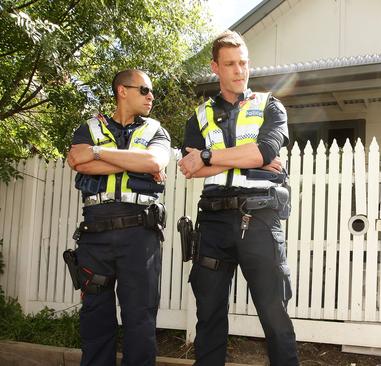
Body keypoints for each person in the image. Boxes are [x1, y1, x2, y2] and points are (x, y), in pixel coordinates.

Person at [178, 30, 298, 366]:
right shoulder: (198, 117)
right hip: (213, 222)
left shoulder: (269, 106)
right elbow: (189, 168)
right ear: (215, 67)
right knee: (210, 317)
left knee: (275, 317)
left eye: (243, 62)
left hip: (259, 219)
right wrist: (237, 157)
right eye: (230, 64)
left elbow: (264, 151)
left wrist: (208, 156)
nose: (239, 70)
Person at [66, 69, 171, 366]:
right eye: (144, 90)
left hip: (140, 234)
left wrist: (97, 154)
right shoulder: (88, 128)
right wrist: (131, 162)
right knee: (95, 320)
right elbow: (78, 161)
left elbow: (154, 160)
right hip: (95, 234)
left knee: (140, 319)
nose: (151, 96)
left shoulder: (156, 130)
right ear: (122, 91)